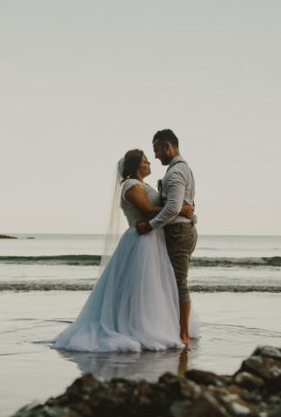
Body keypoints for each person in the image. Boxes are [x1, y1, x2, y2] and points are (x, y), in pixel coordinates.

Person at [51, 149, 195, 352]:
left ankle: (159, 324)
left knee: (154, 287)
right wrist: (179, 208)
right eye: (146, 161)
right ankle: (136, 327)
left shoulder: (144, 185)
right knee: (139, 287)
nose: (150, 164)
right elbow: (146, 210)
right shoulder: (130, 186)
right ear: (137, 166)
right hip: (141, 240)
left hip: (154, 239)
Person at [134, 129, 197, 344]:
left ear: (167, 146)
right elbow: (177, 205)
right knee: (171, 281)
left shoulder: (176, 172)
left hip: (179, 232)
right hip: (179, 230)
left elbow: (172, 208)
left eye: (157, 150)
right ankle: (174, 327)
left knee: (179, 282)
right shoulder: (179, 169)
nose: (156, 156)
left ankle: (183, 335)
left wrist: (150, 226)